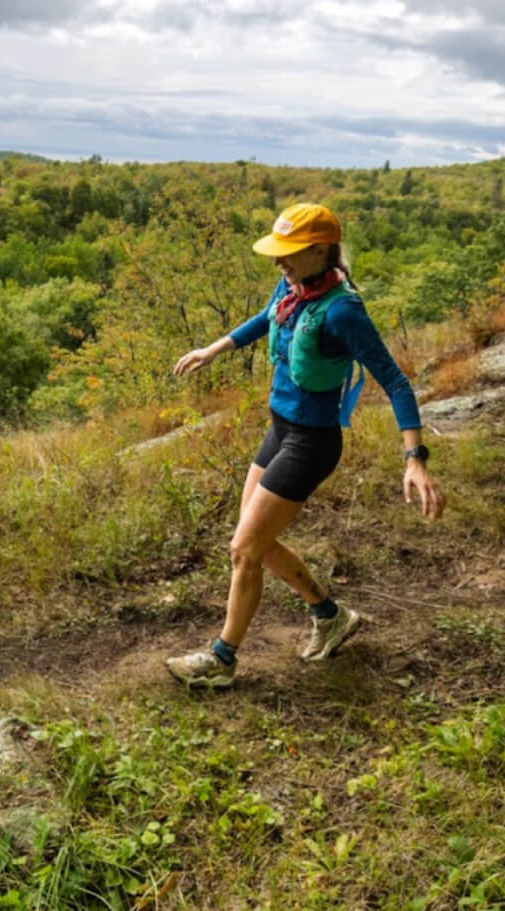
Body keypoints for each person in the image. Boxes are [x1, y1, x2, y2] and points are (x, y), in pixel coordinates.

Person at [164, 202, 444, 689]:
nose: (279, 263)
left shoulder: (342, 312)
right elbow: (265, 317)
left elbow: (396, 382)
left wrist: (415, 459)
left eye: (288, 254)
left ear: (320, 251)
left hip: (312, 443)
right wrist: (216, 348)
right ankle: (330, 616)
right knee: (255, 541)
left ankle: (222, 660)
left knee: (245, 548)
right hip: (280, 429)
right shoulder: (295, 284)